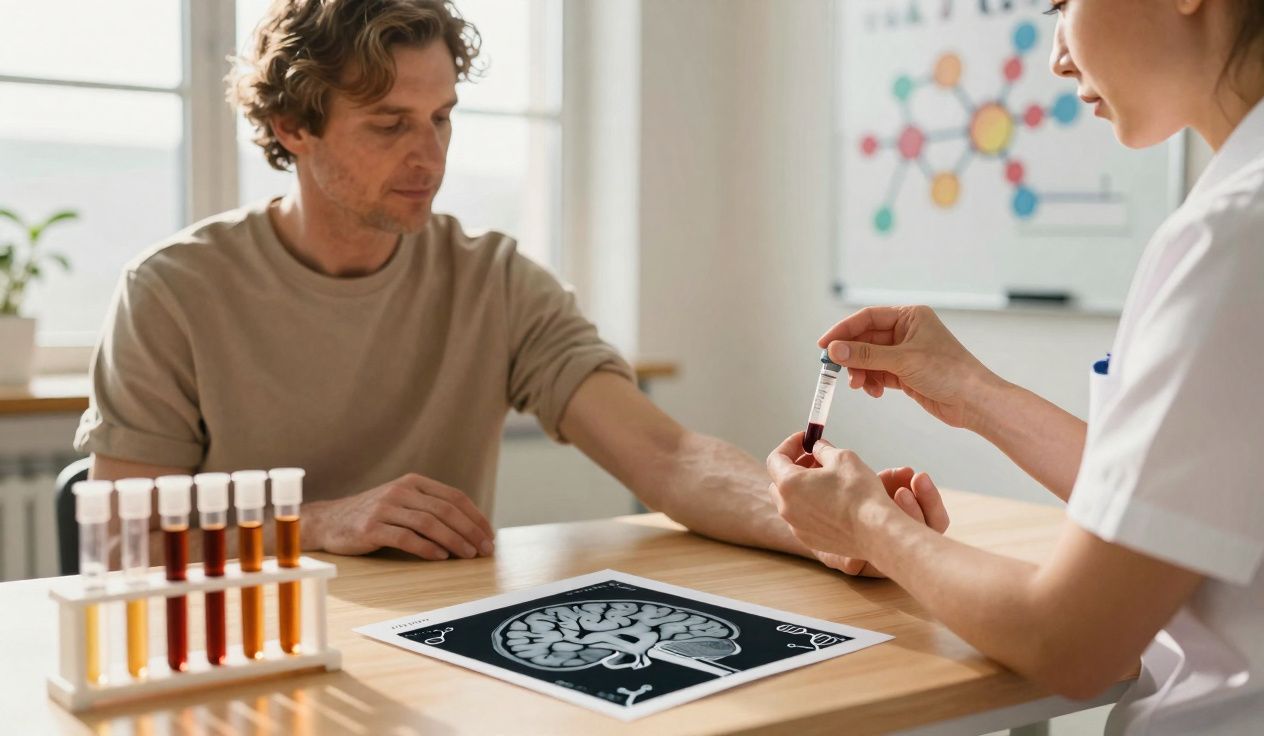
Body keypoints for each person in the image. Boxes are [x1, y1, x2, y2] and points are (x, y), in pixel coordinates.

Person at [73, 0, 949, 566]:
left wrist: (841, 527)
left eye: (443, 117)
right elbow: (121, 526)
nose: (431, 156)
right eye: (389, 125)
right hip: (244, 657)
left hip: (432, 648)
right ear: (291, 126)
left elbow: (668, 456)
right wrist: (319, 521)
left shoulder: (491, 277)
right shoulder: (172, 291)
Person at [765, 1, 1264, 733]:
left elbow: (1073, 640)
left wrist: (867, 522)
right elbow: (1176, 501)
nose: (1057, 55)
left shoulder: (1251, 233)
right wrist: (969, 389)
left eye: (1062, 3)